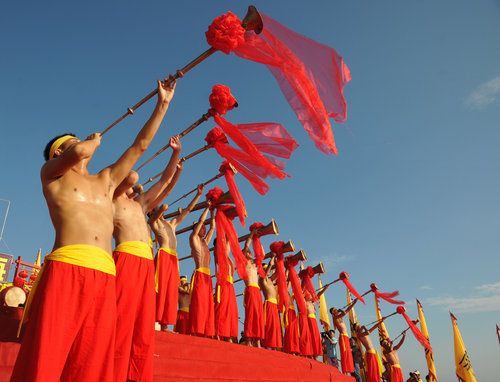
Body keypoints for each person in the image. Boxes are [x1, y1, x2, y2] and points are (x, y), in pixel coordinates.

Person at [11, 78, 176, 382]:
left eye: (77, 141)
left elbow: (139, 146)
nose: (77, 145)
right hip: (67, 267)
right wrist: (89, 143)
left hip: (105, 275)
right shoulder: (51, 177)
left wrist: (162, 105)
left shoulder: (106, 181)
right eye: (68, 143)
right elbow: (77, 153)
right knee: (47, 354)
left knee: (93, 360)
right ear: (56, 155)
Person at [111, 135, 181, 382]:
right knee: (121, 317)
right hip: (126, 258)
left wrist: (175, 154)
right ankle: (113, 370)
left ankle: (136, 374)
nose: (132, 184)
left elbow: (164, 181)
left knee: (143, 323)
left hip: (145, 263)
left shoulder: (139, 203)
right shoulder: (109, 202)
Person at [148, 179, 204, 332]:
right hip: (164, 257)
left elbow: (187, 211)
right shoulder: (154, 222)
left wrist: (198, 196)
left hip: (173, 259)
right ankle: (153, 319)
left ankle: (165, 323)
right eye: (156, 207)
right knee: (160, 289)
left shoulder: (172, 224)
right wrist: (157, 207)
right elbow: (155, 213)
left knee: (171, 292)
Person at [188, 202, 216, 337]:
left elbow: (212, 228)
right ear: (196, 229)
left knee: (207, 304)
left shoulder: (205, 242)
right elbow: (200, 221)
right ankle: (196, 330)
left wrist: (212, 212)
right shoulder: (194, 239)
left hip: (208, 277)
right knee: (198, 303)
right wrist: (206, 208)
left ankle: (206, 331)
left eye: (204, 228)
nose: (204, 230)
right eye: (201, 228)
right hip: (199, 274)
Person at [242, 231, 264, 347]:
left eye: (251, 251)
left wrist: (258, 239)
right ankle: (249, 339)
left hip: (257, 291)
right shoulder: (243, 263)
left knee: (258, 315)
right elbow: (246, 246)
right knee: (250, 314)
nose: (250, 252)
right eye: (248, 252)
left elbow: (262, 255)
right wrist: (251, 235)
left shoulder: (255, 265)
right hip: (250, 289)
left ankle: (258, 340)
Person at [214, 239, 239, 342]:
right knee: (222, 309)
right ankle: (217, 333)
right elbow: (226, 246)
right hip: (223, 283)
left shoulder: (227, 257)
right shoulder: (218, 254)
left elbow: (228, 243)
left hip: (230, 285)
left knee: (231, 311)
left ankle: (228, 335)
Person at [330, 298, 358, 375]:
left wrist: (353, 303)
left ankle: (348, 370)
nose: (336, 311)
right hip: (342, 337)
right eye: (334, 311)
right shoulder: (335, 318)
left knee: (348, 353)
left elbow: (347, 310)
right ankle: (344, 371)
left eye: (336, 310)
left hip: (346, 336)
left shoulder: (339, 317)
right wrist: (340, 310)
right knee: (344, 353)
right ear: (333, 313)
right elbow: (345, 312)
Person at [259, 256, 282, 350]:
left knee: (276, 326)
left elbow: (278, 273)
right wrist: (272, 259)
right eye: (265, 269)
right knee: (269, 325)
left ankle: (275, 346)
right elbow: (267, 272)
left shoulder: (271, 280)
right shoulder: (261, 279)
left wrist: (277, 260)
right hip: (268, 304)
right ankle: (267, 345)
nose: (267, 271)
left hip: (274, 304)